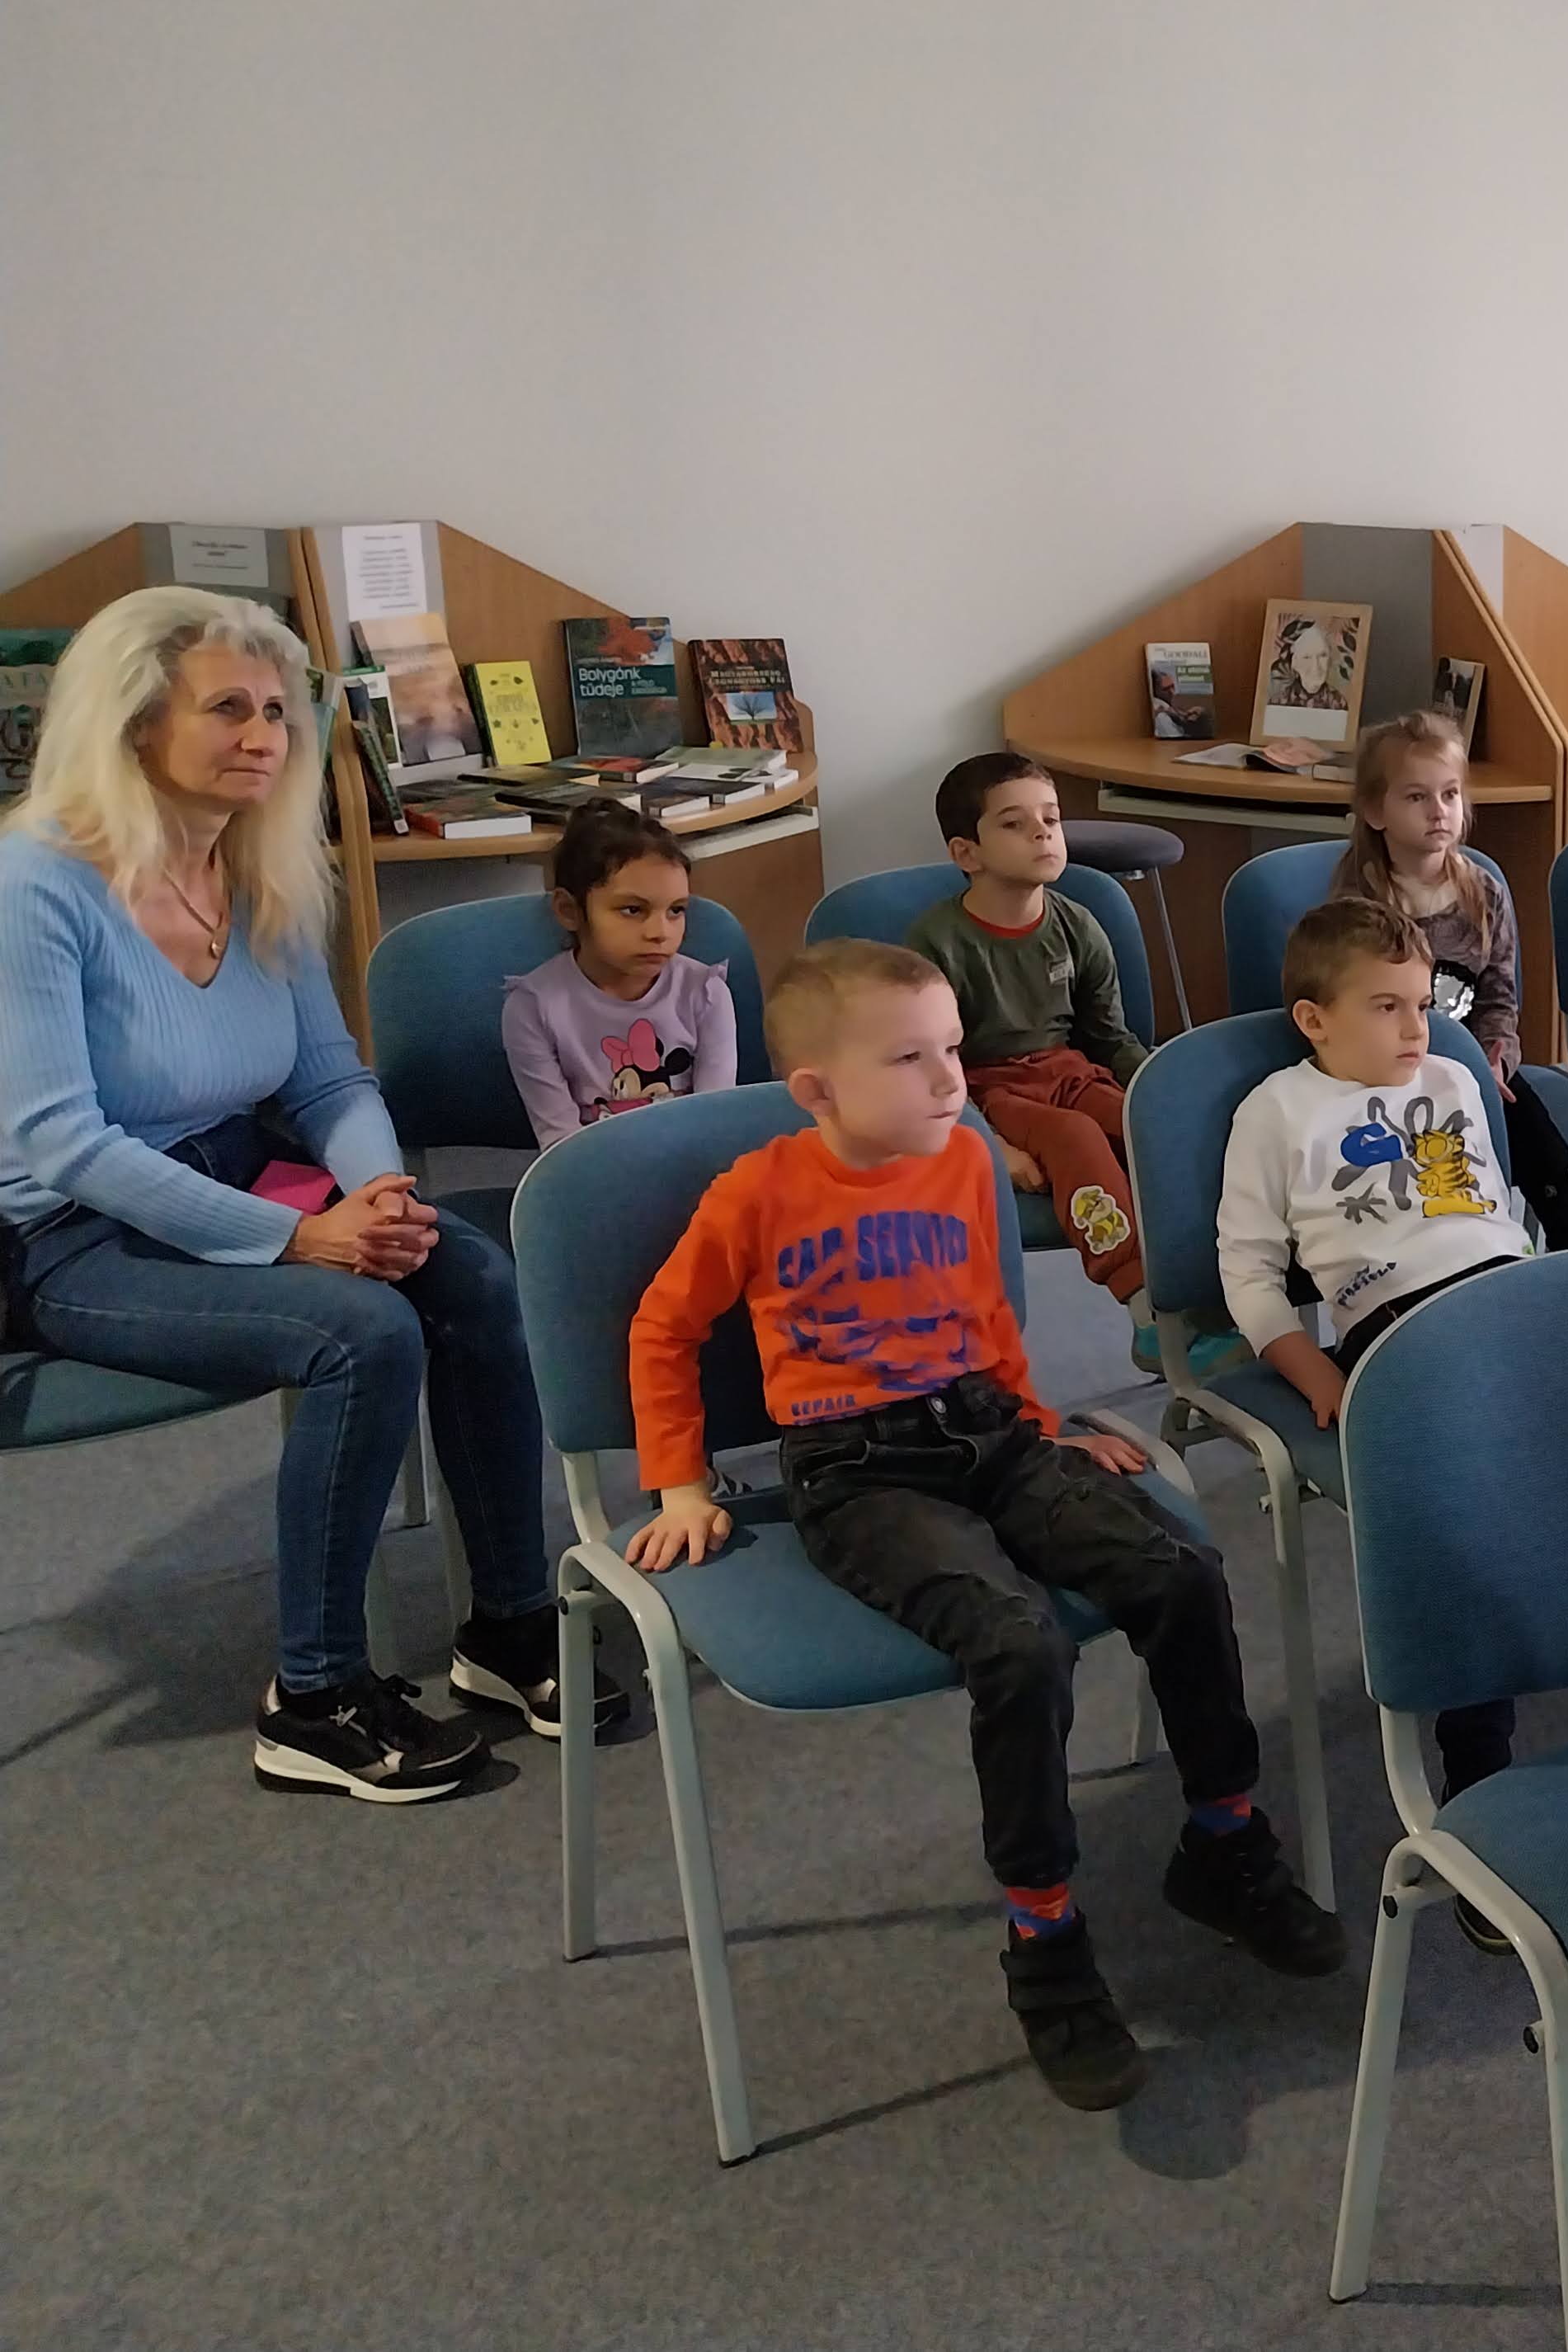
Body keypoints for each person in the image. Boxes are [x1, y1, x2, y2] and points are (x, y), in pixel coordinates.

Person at [621, 939, 1338, 2112]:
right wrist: (681, 1484)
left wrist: (1045, 1428)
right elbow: (664, 1330)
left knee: (1180, 1571)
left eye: (953, 1048)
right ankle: (1044, 1937)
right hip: (859, 1471)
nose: (950, 1077)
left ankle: (1224, 1841)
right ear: (818, 1091)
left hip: (991, 1432)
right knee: (1015, 1643)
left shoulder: (960, 1158)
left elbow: (986, 1318)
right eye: (911, 1058)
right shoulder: (757, 1193)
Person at [0, 587, 619, 1799]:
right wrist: (299, 1238)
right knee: (361, 1334)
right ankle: (315, 1697)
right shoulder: (34, 885)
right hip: (74, 1236)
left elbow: (330, 1079)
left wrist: (378, 1197)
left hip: (238, 1169)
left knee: (471, 1277)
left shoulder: (259, 867)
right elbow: (61, 1144)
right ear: (133, 721)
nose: (263, 736)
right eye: (227, 708)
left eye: (278, 711)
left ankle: (505, 1624)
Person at [1219, 897, 1532, 1934]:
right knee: (1484, 1512)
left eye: (1424, 1003)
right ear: (1314, 1019)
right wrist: (1309, 1368)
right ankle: (1481, 1784)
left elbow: (1495, 1213)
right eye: (1387, 1007)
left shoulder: (1450, 1077)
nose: (1417, 1028)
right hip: (1399, 1320)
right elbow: (1247, 1273)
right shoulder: (1278, 1110)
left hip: (1509, 1293)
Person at [1332, 709, 1568, 1251]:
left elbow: (1499, 999)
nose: (1438, 811)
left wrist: (1495, 1062)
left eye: (1450, 794)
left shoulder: (1484, 891)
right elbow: (1353, 1008)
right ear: (1376, 811)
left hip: (1478, 1067)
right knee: (1428, 1189)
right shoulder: (1358, 902)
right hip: (1388, 1074)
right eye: (1416, 797)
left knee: (1551, 1162)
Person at [905, 751, 1148, 1303]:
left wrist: (1160, 1092)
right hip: (990, 1091)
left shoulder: (1078, 925)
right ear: (967, 853)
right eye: (1015, 824)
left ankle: (1198, 1278)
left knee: (1145, 1126)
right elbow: (927, 1070)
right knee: (1075, 1136)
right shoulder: (935, 943)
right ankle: (1139, 1294)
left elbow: (1110, 1040)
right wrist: (990, 1144)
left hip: (1069, 1072)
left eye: (1051, 818)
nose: (1042, 833)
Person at [501, 797, 739, 1145]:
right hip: (592, 1171)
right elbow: (560, 1144)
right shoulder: (533, 1008)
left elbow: (715, 1125)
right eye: (633, 910)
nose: (660, 932)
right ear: (569, 910)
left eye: (676, 910)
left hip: (693, 1167)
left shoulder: (706, 993)